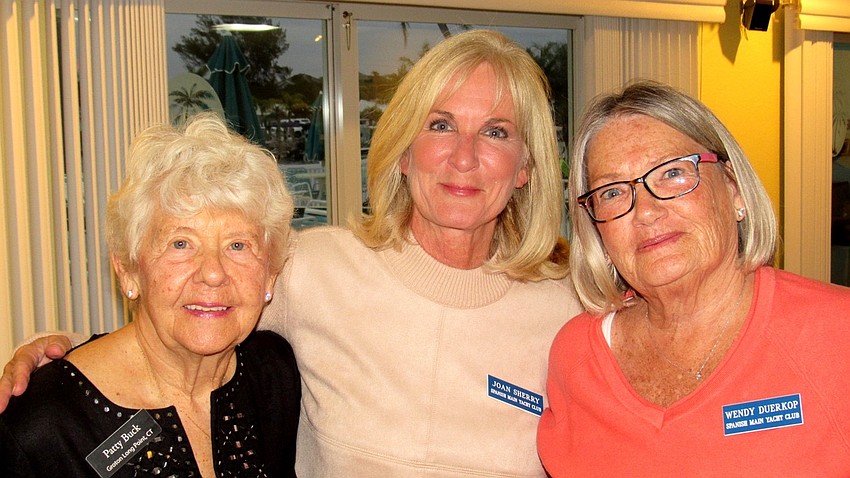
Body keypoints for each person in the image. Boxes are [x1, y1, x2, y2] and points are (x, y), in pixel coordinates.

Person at [0, 30, 582, 476]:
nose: (464, 156)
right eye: (441, 125)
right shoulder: (319, 267)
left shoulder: (568, 313)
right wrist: (63, 355)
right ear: (403, 152)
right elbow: (191, 307)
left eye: (497, 132)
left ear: (528, 167)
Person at [537, 80, 850, 475]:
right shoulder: (576, 357)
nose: (646, 211)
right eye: (613, 192)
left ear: (734, 189)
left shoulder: (838, 334)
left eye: (672, 173)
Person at [0, 114, 300, 477]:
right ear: (128, 269)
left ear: (270, 273)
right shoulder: (41, 427)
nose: (213, 272)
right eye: (180, 243)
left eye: (238, 245)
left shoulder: (275, 377)